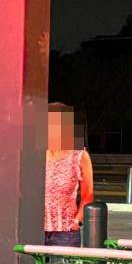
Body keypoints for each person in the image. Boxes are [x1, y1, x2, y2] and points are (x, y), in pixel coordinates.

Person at [43, 103, 94, 247]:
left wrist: (77, 221)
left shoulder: (79, 155)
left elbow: (88, 195)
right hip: (32, 231)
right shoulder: (35, 154)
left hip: (65, 233)